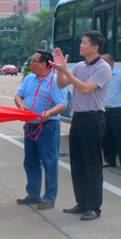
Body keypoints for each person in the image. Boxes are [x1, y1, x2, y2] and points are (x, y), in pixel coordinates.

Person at [52, 30, 112, 221]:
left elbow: (85, 89)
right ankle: (82, 203)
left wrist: (66, 71)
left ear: (95, 47)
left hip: (93, 119)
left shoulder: (103, 68)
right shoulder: (79, 65)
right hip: (78, 118)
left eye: (84, 42)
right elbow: (62, 85)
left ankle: (94, 207)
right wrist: (60, 69)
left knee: (92, 164)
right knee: (77, 164)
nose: (80, 45)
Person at [14, 50, 67, 211]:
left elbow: (61, 104)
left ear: (44, 64)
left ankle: (49, 198)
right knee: (30, 161)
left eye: (34, 61)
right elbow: (18, 96)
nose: (31, 64)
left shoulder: (56, 81)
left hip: (48, 128)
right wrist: (21, 106)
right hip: (30, 126)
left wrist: (49, 113)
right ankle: (33, 194)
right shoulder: (30, 78)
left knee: (49, 163)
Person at [101, 54, 121, 168]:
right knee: (106, 137)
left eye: (106, 61)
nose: (104, 64)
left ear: (112, 62)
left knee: (119, 137)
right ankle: (109, 160)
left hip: (117, 111)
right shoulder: (99, 75)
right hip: (103, 110)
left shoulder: (119, 75)